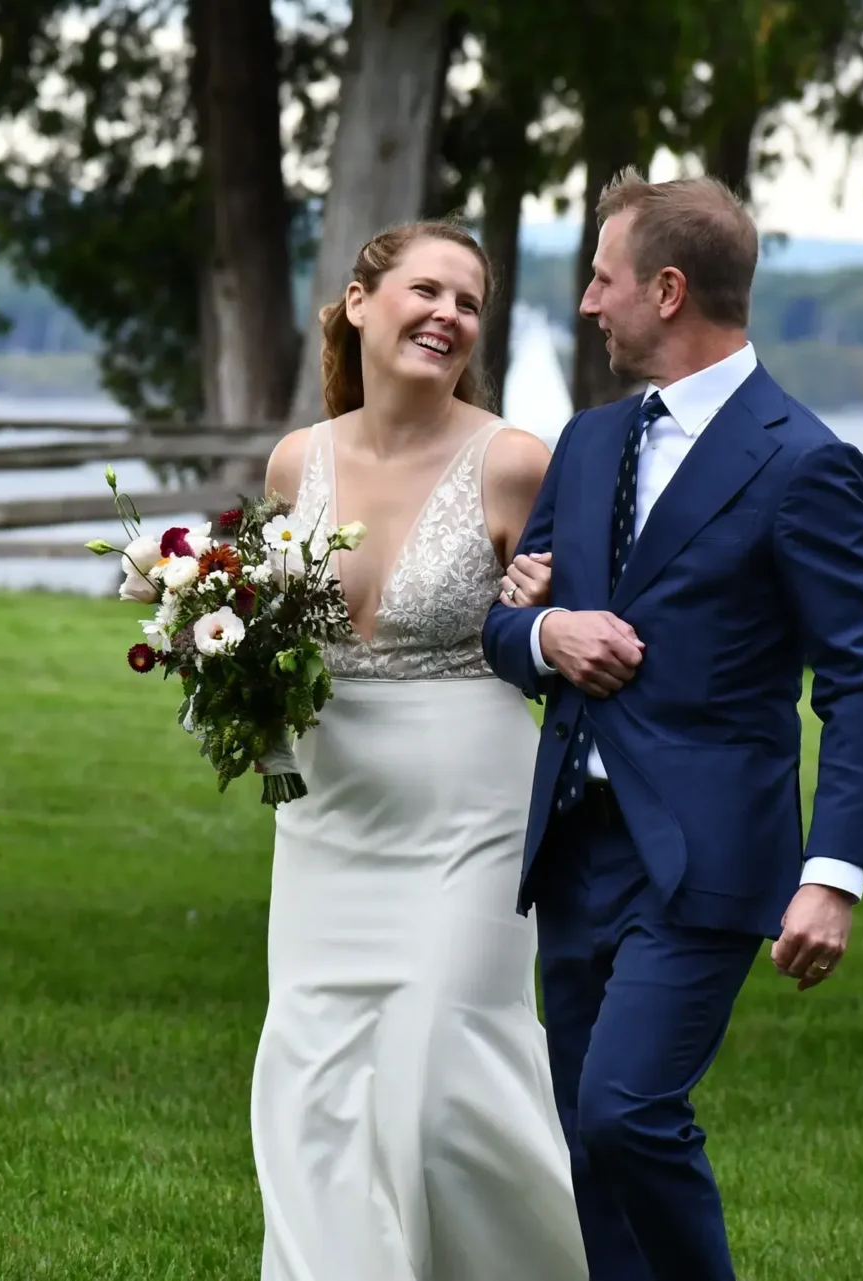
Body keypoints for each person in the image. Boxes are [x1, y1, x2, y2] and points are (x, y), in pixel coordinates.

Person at [483, 168, 863, 1280]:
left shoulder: (808, 464)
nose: (587, 304)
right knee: (587, 1139)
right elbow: (505, 619)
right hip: (574, 842)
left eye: (602, 280)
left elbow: (859, 680)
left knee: (627, 1112)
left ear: (666, 291)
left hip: (706, 857)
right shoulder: (586, 443)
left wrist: (836, 872)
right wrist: (545, 636)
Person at [255, 220, 586, 1281]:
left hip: (471, 814)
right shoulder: (294, 463)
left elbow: (578, 645)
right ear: (360, 302)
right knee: (317, 1086)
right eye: (428, 290)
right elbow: (269, 637)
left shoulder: (517, 463)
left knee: (448, 1081)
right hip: (327, 820)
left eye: (471, 303)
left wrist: (542, 610)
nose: (450, 315)